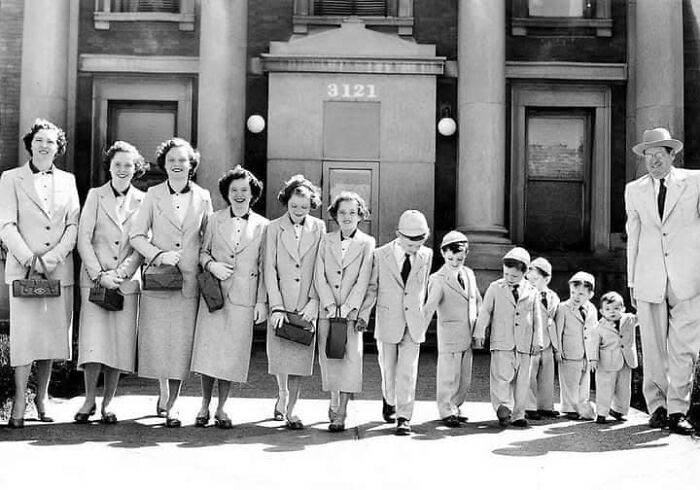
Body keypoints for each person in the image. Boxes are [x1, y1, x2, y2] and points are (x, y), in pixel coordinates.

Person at [0, 118, 80, 428]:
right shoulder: (11, 178)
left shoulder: (69, 180)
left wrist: (53, 257)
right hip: (24, 269)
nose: (44, 145)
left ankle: (42, 398)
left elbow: (73, 224)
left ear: (58, 148)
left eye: (50, 141)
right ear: (30, 144)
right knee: (25, 338)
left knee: (49, 338)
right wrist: (29, 258)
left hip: (58, 269)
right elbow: (6, 224)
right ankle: (20, 400)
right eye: (39, 140)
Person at [129, 138, 213, 427]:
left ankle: (173, 404)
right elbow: (136, 236)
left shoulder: (203, 196)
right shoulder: (152, 194)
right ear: (164, 165)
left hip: (188, 282)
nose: (177, 165)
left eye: (183, 160)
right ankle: (163, 392)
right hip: (160, 280)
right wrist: (159, 254)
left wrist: (206, 264)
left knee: (179, 343)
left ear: (192, 165)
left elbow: (208, 239)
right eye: (171, 160)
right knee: (159, 341)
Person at [626, 127, 700, 435]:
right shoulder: (634, 189)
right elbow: (634, 236)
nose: (653, 161)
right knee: (654, 347)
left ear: (673, 154)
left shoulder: (695, 182)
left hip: (688, 278)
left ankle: (677, 411)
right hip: (648, 277)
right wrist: (631, 281)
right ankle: (656, 408)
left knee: (683, 347)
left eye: (659, 155)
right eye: (648, 156)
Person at [190, 166, 268, 429]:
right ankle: (204, 404)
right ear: (226, 193)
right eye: (233, 190)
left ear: (252, 193)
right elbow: (202, 253)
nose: (238, 194)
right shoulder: (214, 220)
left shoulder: (263, 226)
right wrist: (212, 266)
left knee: (231, 356)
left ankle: (222, 407)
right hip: (215, 297)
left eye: (244, 190)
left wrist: (261, 302)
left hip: (243, 299)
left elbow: (264, 266)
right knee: (209, 353)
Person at [75, 141, 147, 424]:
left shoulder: (144, 200)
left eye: (128, 165)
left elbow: (141, 243)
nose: (122, 169)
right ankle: (89, 399)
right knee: (94, 343)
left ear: (136, 168)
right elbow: (83, 238)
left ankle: (109, 403)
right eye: (117, 164)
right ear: (110, 166)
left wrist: (120, 275)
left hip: (125, 284)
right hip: (95, 282)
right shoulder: (95, 195)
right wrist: (99, 274)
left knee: (118, 344)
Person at [362, 210, 433, 436]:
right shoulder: (380, 255)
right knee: (388, 369)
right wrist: (364, 314)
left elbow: (422, 287)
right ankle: (388, 398)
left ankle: (404, 416)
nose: (416, 248)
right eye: (411, 244)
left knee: (408, 371)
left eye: (420, 242)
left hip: (413, 322)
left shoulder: (427, 255)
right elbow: (372, 287)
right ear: (398, 235)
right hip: (387, 319)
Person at [264, 175, 325, 430]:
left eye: (304, 207)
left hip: (306, 304)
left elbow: (322, 266)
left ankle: (292, 409)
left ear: (312, 205)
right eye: (294, 206)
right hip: (282, 301)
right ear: (286, 202)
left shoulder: (320, 228)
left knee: (300, 358)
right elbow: (269, 267)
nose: (299, 211)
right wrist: (275, 305)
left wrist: (314, 300)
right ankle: (282, 392)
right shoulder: (273, 228)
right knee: (280, 356)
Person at [314, 191, 375, 432]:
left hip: (351, 312)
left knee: (350, 360)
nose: (347, 216)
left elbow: (364, 277)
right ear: (335, 216)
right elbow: (319, 274)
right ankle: (333, 398)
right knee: (329, 357)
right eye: (342, 212)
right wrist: (330, 304)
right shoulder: (325, 240)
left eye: (352, 212)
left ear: (360, 215)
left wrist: (350, 307)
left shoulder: (367, 243)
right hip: (327, 311)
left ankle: (342, 412)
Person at [473, 247, 544, 428]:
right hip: (502, 341)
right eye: (506, 274)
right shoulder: (495, 288)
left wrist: (538, 340)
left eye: (514, 276)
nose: (509, 278)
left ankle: (518, 414)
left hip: (524, 343)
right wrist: (480, 332)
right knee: (501, 377)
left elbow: (537, 317)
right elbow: (485, 311)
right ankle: (502, 407)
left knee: (522, 381)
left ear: (524, 273)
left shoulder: (532, 291)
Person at [422, 231, 482, 428]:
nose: (455, 262)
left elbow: (477, 300)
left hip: (469, 331)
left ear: (466, 254)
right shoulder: (438, 279)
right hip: (449, 333)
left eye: (460, 258)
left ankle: (456, 405)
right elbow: (430, 306)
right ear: (442, 253)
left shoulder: (469, 274)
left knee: (464, 376)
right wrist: (419, 330)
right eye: (451, 258)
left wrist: (480, 326)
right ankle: (446, 409)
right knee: (449, 374)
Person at [589, 291, 638, 424]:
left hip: (626, 361)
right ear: (601, 311)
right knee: (605, 388)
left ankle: (620, 411)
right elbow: (593, 345)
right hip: (606, 363)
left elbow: (642, 316)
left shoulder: (628, 320)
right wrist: (593, 359)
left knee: (624, 388)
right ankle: (602, 413)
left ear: (623, 309)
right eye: (608, 309)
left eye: (617, 308)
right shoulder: (598, 328)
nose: (612, 312)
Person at [554, 271, 597, 421]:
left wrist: (593, 355)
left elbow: (593, 331)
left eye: (581, 294)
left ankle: (582, 406)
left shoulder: (592, 309)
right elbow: (558, 330)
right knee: (569, 382)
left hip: (586, 352)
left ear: (590, 294)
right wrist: (557, 350)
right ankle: (569, 407)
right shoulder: (563, 308)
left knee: (584, 382)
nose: (576, 297)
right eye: (573, 292)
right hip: (569, 351)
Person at [524, 257, 561, 420]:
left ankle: (545, 405)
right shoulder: (526, 296)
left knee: (547, 374)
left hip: (548, 341)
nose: (531, 282)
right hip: (531, 341)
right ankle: (529, 406)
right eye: (529, 278)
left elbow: (555, 318)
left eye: (535, 279)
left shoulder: (554, 297)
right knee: (529, 375)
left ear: (547, 279)